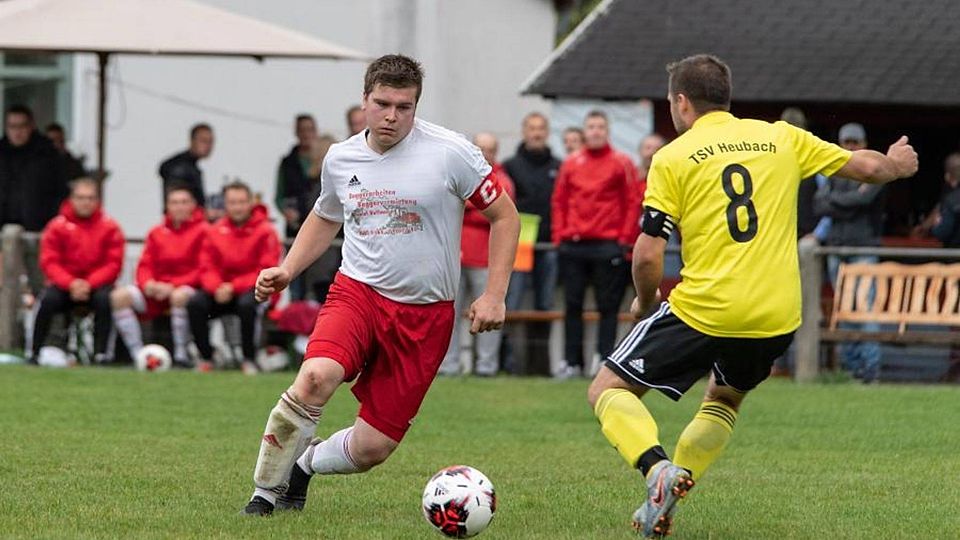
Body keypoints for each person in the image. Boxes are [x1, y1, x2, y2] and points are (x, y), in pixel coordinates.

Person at [584, 54, 916, 538]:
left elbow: (647, 255)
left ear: (681, 102)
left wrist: (645, 301)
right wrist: (896, 165)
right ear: (726, 97)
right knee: (724, 398)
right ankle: (668, 494)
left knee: (607, 390)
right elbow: (864, 168)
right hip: (776, 315)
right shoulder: (781, 136)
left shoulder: (673, 157)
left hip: (707, 307)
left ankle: (656, 469)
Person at [241, 54, 519, 517]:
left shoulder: (451, 152)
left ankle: (303, 466)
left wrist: (494, 294)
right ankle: (264, 495)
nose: (392, 116)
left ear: (416, 106)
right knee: (315, 377)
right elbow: (325, 215)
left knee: (372, 448)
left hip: (426, 315)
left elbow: (504, 216)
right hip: (358, 294)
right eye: (383, 103)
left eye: (404, 107)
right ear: (364, 100)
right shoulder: (340, 157)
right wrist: (287, 269)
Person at [552, 110, 639, 379]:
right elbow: (560, 200)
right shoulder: (571, 163)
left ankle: (604, 358)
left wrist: (624, 239)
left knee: (608, 307)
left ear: (607, 130)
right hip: (574, 244)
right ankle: (572, 362)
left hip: (607, 244)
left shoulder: (621, 162)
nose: (596, 131)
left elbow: (632, 201)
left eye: (600, 126)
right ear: (584, 131)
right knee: (573, 305)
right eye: (591, 126)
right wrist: (560, 236)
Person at [814, 122, 885, 383]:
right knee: (844, 311)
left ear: (864, 143)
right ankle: (851, 368)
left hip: (863, 247)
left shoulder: (876, 168)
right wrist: (847, 202)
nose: (851, 147)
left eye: (855, 142)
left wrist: (836, 203)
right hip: (837, 247)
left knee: (865, 310)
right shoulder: (834, 170)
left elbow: (864, 200)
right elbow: (819, 204)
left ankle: (870, 369)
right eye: (847, 142)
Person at [440, 132, 515, 376]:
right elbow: (449, 205)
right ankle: (447, 364)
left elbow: (501, 213)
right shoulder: (460, 174)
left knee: (489, 314)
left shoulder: (503, 179)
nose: (485, 154)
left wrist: (468, 205)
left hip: (487, 260)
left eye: (490, 149)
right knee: (447, 315)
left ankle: (486, 366)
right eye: (480, 148)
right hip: (455, 256)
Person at [187, 181, 281, 374]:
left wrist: (233, 286)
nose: (237, 207)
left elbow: (266, 269)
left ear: (250, 203)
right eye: (232, 202)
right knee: (195, 303)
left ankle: (249, 359)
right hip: (221, 290)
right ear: (225, 204)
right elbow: (206, 266)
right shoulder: (214, 231)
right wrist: (217, 287)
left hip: (254, 289)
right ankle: (207, 357)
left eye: (241, 202)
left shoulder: (266, 232)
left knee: (248, 305)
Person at [110, 183, 207, 367]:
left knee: (179, 297)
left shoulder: (204, 232)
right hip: (156, 290)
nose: (179, 207)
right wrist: (148, 284)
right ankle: (138, 356)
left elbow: (203, 269)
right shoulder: (156, 232)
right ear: (167, 206)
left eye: (184, 202)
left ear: (193, 205)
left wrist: (173, 285)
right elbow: (145, 264)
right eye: (174, 202)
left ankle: (181, 356)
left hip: (187, 290)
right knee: (119, 297)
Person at [31, 178, 125, 364]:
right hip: (65, 284)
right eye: (81, 198)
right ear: (71, 200)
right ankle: (34, 351)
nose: (86, 202)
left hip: (95, 285)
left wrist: (89, 284)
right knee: (47, 300)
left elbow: (113, 264)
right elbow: (49, 262)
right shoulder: (56, 226)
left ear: (97, 201)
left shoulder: (110, 227)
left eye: (90, 198)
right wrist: (71, 283)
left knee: (105, 300)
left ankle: (102, 354)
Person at [0, 106, 70, 295]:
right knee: (4, 287)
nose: (17, 132)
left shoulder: (47, 154)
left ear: (31, 126)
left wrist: (52, 223)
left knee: (40, 284)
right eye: (12, 126)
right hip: (3, 230)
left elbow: (61, 192)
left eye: (21, 126)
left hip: (39, 230)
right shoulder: (2, 152)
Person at [503, 112, 561, 313]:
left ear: (547, 132)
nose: (536, 133)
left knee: (546, 303)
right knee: (513, 300)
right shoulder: (509, 166)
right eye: (532, 128)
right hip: (519, 243)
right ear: (524, 132)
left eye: (541, 128)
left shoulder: (559, 166)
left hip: (549, 243)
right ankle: (506, 344)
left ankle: (542, 345)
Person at [275, 114, 320, 301]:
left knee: (319, 283)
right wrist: (286, 212)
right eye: (302, 130)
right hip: (295, 230)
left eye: (310, 129)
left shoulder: (326, 159)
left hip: (320, 230)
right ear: (296, 132)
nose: (306, 134)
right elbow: (279, 196)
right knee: (295, 279)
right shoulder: (287, 163)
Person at [158, 123, 213, 210]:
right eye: (203, 141)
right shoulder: (180, 167)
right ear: (192, 141)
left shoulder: (188, 165)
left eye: (210, 142)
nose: (208, 146)